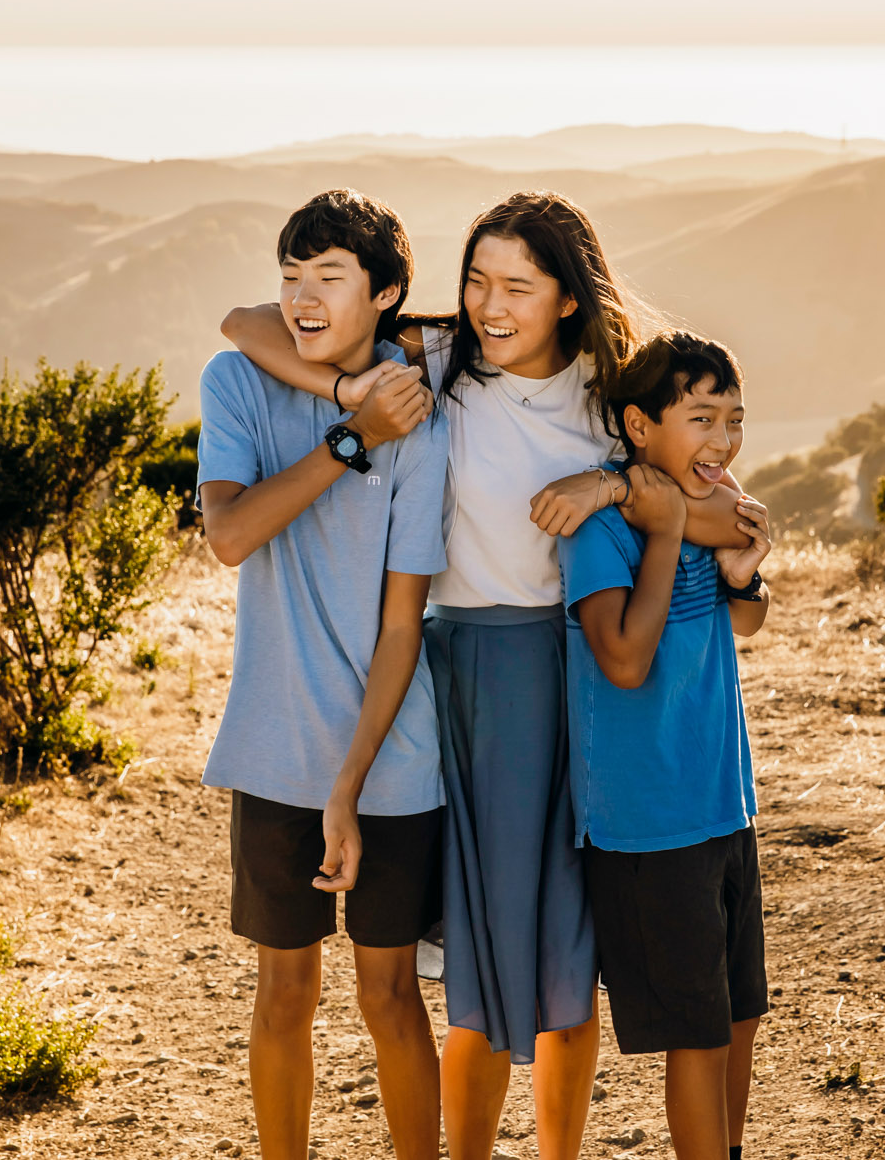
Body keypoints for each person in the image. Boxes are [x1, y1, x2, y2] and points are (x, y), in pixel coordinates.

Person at [222, 190, 762, 1160]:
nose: (488, 302)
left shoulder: (609, 395)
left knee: (568, 953)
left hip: (573, 681)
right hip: (458, 681)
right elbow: (245, 324)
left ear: (566, 296)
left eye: (516, 284)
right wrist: (351, 397)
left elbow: (723, 514)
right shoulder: (432, 363)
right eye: (476, 279)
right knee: (472, 948)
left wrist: (609, 485)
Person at [197, 188, 448, 1160]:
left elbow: (401, 626)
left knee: (386, 992)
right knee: (283, 991)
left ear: (384, 292)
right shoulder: (236, 382)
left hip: (392, 752)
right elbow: (228, 536)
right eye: (290, 277)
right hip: (271, 743)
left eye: (328, 279)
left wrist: (349, 783)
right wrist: (348, 436)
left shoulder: (419, 413)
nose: (302, 299)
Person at [558, 332, 772, 1160]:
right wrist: (664, 533)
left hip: (723, 801)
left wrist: (744, 573)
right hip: (647, 824)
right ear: (640, 425)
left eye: (734, 420)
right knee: (699, 1033)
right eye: (702, 418)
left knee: (740, 1015)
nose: (723, 441)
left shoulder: (715, 502)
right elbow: (622, 658)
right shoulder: (603, 531)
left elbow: (745, 617)